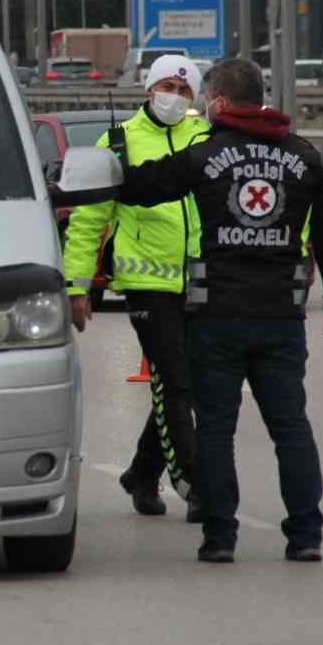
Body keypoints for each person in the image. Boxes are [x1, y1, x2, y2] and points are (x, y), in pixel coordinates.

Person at [111, 57, 323, 564]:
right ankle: (306, 535)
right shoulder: (303, 156)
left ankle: (220, 537)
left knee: (217, 430)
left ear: (218, 102)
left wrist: (111, 160)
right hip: (281, 318)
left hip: (215, 316)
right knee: (291, 427)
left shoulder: (205, 154)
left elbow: (141, 187)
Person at [64, 54, 207, 522]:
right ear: (149, 89)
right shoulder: (119, 141)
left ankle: (142, 474)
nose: (175, 97)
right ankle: (195, 484)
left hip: (204, 279)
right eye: (168, 87)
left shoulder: (207, 138)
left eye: (185, 91)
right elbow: (88, 220)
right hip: (147, 284)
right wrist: (76, 285)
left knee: (188, 383)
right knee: (175, 382)